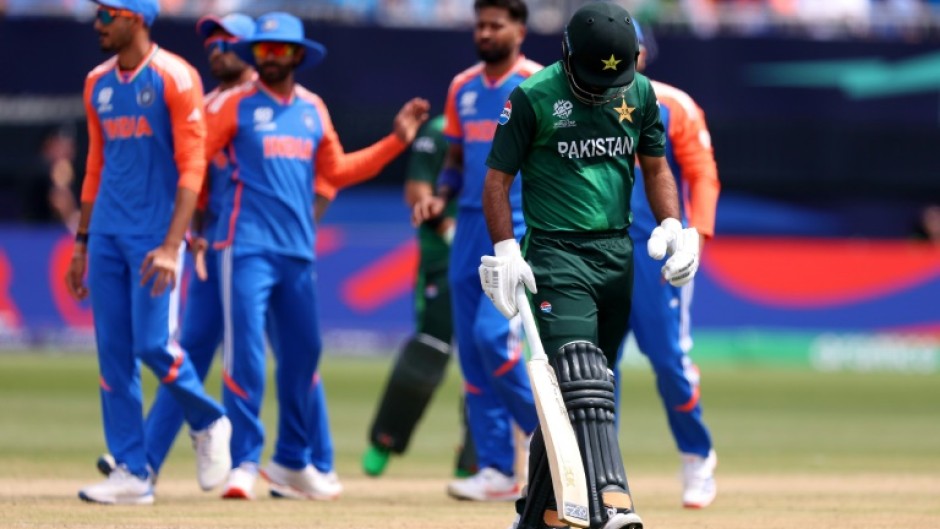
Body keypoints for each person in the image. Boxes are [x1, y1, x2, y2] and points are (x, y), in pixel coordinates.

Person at [478, 2, 700, 528]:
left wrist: (675, 225)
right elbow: (496, 181)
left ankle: (540, 517)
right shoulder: (533, 97)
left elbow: (656, 166)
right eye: (592, 80)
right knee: (582, 374)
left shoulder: (640, 93)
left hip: (617, 253)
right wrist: (507, 249)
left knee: (573, 391)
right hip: (555, 252)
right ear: (568, 53)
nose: (603, 92)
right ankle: (610, 500)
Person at [203, 11, 429, 500]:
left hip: (297, 253)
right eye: (262, 49)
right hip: (243, 248)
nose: (270, 57)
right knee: (245, 355)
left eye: (280, 49)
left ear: (298, 55)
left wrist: (396, 142)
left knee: (303, 358)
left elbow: (338, 169)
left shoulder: (311, 109)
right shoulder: (235, 106)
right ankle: (244, 462)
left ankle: (290, 461)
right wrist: (192, 222)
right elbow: (192, 161)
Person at [66, 0, 232, 505]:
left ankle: (208, 417)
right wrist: (82, 241)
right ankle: (132, 472)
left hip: (153, 237)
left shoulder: (176, 77)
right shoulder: (97, 82)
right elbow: (96, 164)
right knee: (113, 354)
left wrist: (171, 244)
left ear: (134, 18)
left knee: (152, 346)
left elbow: (192, 169)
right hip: (108, 235)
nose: (97, 24)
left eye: (106, 15)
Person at [412, 0, 540, 502]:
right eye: (480, 24)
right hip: (465, 228)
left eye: (496, 25)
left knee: (494, 341)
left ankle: (557, 442)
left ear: (519, 30)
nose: (485, 32)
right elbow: (456, 157)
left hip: (516, 226)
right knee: (473, 356)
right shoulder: (462, 87)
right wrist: (438, 198)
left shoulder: (537, 84)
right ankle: (496, 470)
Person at [614, 24, 720, 510]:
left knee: (668, 362)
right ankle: (600, 472)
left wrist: (694, 236)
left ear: (641, 52)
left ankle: (698, 457)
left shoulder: (674, 103)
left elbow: (701, 172)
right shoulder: (574, 102)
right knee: (594, 366)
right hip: (595, 249)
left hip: (655, 252)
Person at [361, 114, 477, 479]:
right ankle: (385, 439)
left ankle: (477, 460)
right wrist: (447, 229)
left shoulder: (515, 122)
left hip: (495, 262)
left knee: (491, 358)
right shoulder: (441, 129)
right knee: (429, 350)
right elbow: (417, 191)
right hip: (442, 259)